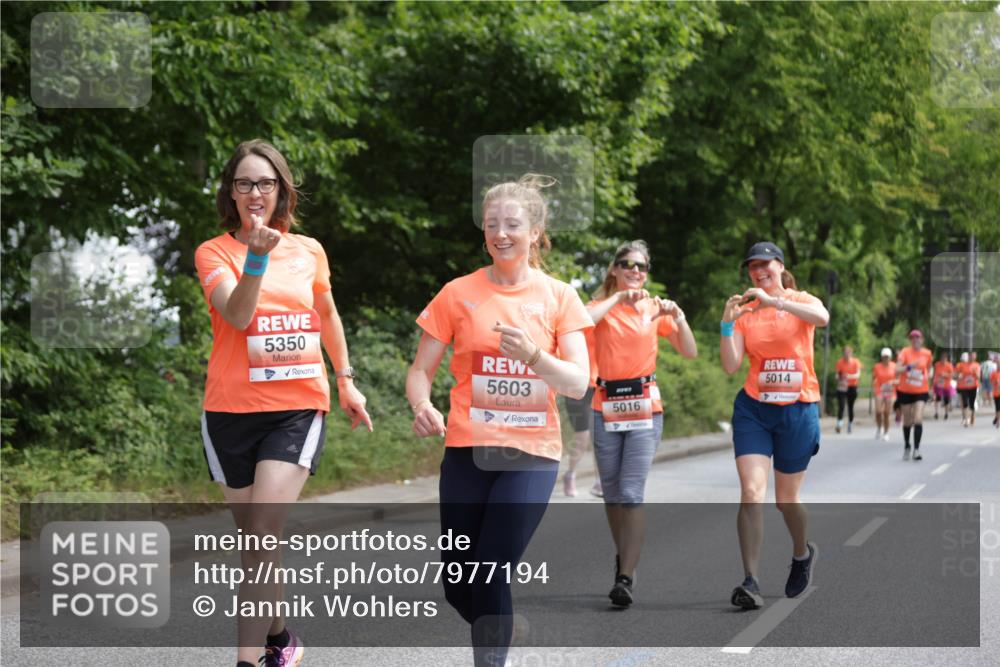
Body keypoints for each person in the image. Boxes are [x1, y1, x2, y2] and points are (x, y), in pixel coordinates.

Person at [194, 139, 372, 667]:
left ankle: (248, 662)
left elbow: (329, 315)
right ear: (231, 191)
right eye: (245, 183)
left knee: (263, 533)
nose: (255, 192)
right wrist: (255, 258)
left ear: (281, 190)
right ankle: (279, 636)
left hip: (296, 406)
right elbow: (239, 316)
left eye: (266, 183)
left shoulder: (309, 250)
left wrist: (346, 379)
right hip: (229, 410)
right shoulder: (215, 252)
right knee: (255, 543)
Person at [406, 175, 591, 667]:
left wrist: (535, 356)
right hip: (467, 452)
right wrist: (421, 404)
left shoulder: (560, 297)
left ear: (536, 231)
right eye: (492, 224)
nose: (501, 233)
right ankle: (504, 627)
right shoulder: (457, 293)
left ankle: (493, 656)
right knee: (456, 584)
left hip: (531, 455)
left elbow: (577, 382)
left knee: (490, 572)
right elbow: (421, 369)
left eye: (513, 224)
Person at [586, 240, 697, 607]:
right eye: (628, 264)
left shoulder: (654, 309)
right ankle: (625, 556)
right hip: (606, 407)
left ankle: (625, 576)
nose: (636, 271)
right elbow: (585, 322)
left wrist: (678, 317)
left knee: (631, 493)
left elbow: (689, 351)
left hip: (644, 408)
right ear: (614, 269)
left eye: (642, 267)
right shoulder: (600, 306)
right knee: (613, 494)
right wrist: (618, 299)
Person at [720, 242, 828, 610]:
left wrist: (776, 303)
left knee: (786, 501)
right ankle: (750, 580)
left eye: (765, 264)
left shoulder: (800, 299)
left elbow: (823, 318)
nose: (759, 270)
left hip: (798, 409)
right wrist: (726, 322)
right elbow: (732, 365)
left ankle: (802, 553)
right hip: (754, 409)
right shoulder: (746, 311)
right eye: (752, 266)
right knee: (751, 492)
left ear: (780, 266)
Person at [560, 328, 602, 497]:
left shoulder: (611, 319)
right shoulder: (585, 315)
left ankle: (600, 481)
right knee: (582, 435)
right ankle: (570, 473)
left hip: (599, 384)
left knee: (600, 434)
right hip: (578, 384)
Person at [896, 330, 933, 460]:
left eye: (918, 338)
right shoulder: (905, 352)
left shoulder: (927, 353)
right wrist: (909, 367)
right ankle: (907, 445)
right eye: (913, 338)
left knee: (917, 418)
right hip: (905, 390)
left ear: (922, 339)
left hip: (921, 390)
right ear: (910, 340)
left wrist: (928, 375)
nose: (915, 340)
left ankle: (916, 449)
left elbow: (928, 368)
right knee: (907, 421)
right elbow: (897, 369)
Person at [835, 346, 862, 434]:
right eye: (845, 353)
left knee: (850, 406)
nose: (846, 354)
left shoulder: (855, 362)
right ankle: (839, 424)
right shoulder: (840, 362)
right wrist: (840, 378)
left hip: (852, 386)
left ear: (851, 353)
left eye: (848, 352)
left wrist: (848, 376)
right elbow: (837, 375)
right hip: (842, 386)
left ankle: (850, 423)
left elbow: (858, 375)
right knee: (841, 405)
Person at [872, 348, 897, 441]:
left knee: (886, 413)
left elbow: (899, 380)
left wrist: (893, 382)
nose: (885, 358)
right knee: (878, 412)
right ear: (881, 357)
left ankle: (886, 433)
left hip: (891, 392)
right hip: (880, 390)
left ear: (890, 357)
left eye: (887, 357)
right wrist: (874, 383)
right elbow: (874, 377)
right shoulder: (877, 366)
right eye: (884, 357)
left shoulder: (894, 366)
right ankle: (879, 428)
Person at [956, 351, 980, 427]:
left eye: (974, 356)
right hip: (964, 387)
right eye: (971, 356)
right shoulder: (962, 365)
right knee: (965, 403)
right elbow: (956, 374)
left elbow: (979, 377)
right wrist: (959, 375)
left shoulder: (977, 365)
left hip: (973, 386)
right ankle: (966, 420)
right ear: (968, 356)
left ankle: (972, 416)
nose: (972, 357)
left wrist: (975, 373)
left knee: (972, 404)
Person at [933, 352, 955, 420]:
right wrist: (934, 381)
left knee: (946, 400)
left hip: (946, 385)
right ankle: (936, 413)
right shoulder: (937, 364)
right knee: (937, 399)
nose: (943, 360)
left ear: (946, 359)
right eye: (942, 359)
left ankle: (946, 413)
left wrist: (945, 375)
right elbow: (935, 373)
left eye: (944, 359)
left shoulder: (949, 365)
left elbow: (952, 375)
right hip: (938, 384)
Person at [990, 359, 1000, 428]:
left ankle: (997, 420)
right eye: (998, 364)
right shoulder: (994, 373)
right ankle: (997, 419)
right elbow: (991, 382)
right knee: (997, 407)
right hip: (996, 392)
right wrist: (996, 382)